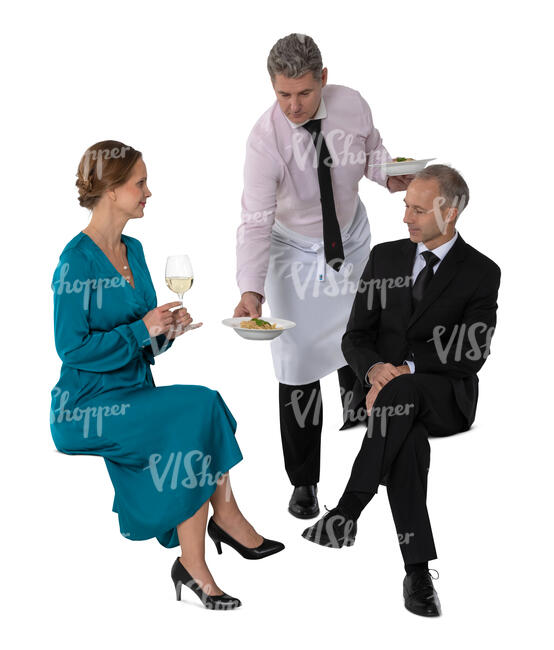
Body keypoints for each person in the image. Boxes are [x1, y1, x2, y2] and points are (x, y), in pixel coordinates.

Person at [50, 140, 284, 611]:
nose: (148, 192)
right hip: (87, 406)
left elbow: (143, 341)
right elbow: (71, 347)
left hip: (134, 391)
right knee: (198, 406)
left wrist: (165, 332)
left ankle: (193, 565)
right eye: (139, 183)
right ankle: (227, 515)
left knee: (200, 413)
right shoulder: (75, 261)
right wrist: (142, 328)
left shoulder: (133, 250)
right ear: (112, 189)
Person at [301, 165, 501, 617]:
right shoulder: (385, 257)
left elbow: (471, 351)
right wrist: (375, 372)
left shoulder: (482, 272)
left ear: (448, 213)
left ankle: (349, 507)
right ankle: (417, 573)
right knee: (404, 441)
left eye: (416, 208)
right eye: (404, 206)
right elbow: (355, 337)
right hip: (389, 400)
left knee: (403, 395)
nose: (405, 218)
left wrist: (404, 369)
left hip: (446, 397)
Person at [233, 33, 413, 519]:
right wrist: (250, 289)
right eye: (282, 95)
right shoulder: (264, 140)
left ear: (323, 80)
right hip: (293, 253)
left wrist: (389, 175)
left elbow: (372, 153)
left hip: (350, 240)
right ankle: (305, 481)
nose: (293, 105)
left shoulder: (352, 105)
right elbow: (254, 219)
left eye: (304, 93)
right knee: (295, 362)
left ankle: (365, 439)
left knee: (361, 339)